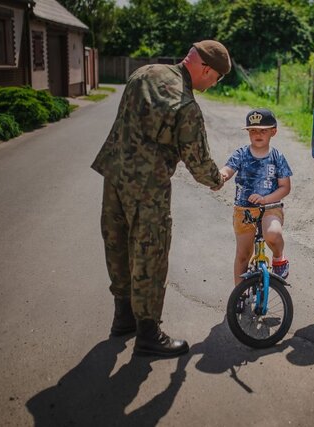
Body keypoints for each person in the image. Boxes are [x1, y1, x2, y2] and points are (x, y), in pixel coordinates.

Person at [91, 40, 231, 357]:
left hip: (114, 175)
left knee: (116, 244)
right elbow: (198, 161)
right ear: (206, 69)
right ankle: (148, 334)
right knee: (149, 254)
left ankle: (123, 318)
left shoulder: (144, 73)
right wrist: (218, 178)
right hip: (148, 188)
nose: (213, 84)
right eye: (216, 78)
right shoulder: (186, 105)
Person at [219, 109, 293, 284]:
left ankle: (278, 257)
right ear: (248, 132)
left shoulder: (277, 157)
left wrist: (266, 199)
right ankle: (239, 295)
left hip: (270, 208)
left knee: (273, 234)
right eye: (253, 130)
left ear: (273, 131)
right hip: (244, 210)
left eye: (263, 130)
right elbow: (227, 169)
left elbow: (285, 187)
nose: (257, 134)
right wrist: (220, 176)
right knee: (243, 255)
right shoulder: (241, 154)